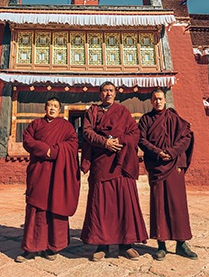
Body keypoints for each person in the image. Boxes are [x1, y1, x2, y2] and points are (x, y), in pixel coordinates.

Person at [80, 81, 148, 261]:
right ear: (100, 94)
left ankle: (126, 244)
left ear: (115, 93)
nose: (108, 93)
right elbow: (86, 132)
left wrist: (118, 140)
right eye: (105, 91)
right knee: (101, 205)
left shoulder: (123, 112)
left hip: (121, 163)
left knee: (123, 203)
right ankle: (102, 245)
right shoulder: (92, 112)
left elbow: (135, 134)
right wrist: (105, 142)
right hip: (101, 164)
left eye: (111, 91)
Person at [15, 97, 80, 263]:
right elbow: (27, 139)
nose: (52, 108)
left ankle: (53, 247)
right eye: (50, 105)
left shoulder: (66, 126)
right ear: (45, 108)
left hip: (58, 172)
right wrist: (46, 150)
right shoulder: (36, 124)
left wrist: (56, 151)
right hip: (39, 171)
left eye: (55, 106)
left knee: (55, 205)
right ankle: (31, 248)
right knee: (35, 208)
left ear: (59, 110)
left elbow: (73, 143)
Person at [138, 89, 198, 261]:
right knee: (158, 206)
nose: (158, 102)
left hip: (173, 166)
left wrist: (171, 152)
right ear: (151, 101)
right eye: (155, 99)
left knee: (177, 205)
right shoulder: (146, 120)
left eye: (160, 99)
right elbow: (141, 140)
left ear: (165, 100)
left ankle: (181, 243)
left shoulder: (174, 118)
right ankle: (161, 245)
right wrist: (158, 153)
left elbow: (186, 137)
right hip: (157, 167)